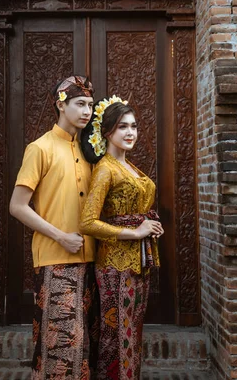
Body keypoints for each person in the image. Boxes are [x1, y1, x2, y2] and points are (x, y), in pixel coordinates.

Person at [9, 75, 99, 380]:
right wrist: (61, 236)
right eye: (80, 104)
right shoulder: (40, 148)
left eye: (89, 104)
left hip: (91, 260)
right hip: (55, 260)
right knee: (58, 347)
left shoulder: (88, 153)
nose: (87, 111)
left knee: (82, 348)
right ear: (61, 104)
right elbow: (17, 206)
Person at [79, 96, 164, 380]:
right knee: (116, 334)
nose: (130, 133)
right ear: (107, 133)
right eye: (122, 127)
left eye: (133, 126)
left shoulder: (129, 166)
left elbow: (134, 208)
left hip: (137, 262)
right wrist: (134, 231)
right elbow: (88, 222)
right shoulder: (105, 169)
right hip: (114, 266)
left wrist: (149, 225)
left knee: (131, 334)